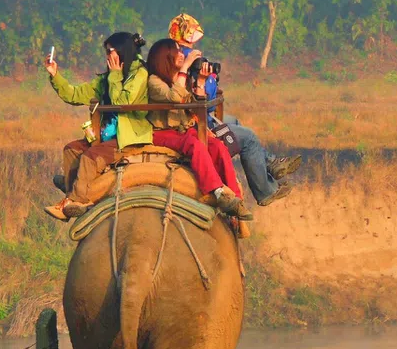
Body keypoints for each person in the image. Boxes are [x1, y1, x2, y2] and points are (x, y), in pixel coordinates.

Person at [168, 13, 301, 207]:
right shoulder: (182, 61)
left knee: (234, 121)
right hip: (191, 121)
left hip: (193, 115)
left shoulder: (169, 57)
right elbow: (200, 101)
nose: (193, 48)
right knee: (248, 138)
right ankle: (265, 191)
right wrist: (201, 77)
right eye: (191, 42)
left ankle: (271, 163)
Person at [43, 32, 152, 221]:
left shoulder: (140, 74)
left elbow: (123, 102)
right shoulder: (106, 79)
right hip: (106, 134)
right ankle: (73, 191)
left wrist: (116, 75)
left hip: (127, 137)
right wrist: (55, 75)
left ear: (122, 52)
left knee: (90, 157)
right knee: (71, 149)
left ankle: (77, 200)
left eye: (110, 51)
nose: (107, 56)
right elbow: (75, 94)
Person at [145, 38, 252, 220]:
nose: (181, 55)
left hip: (184, 130)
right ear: (165, 57)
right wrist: (185, 68)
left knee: (217, 146)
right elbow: (175, 97)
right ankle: (217, 191)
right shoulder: (154, 81)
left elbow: (196, 106)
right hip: (162, 132)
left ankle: (236, 199)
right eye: (177, 52)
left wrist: (201, 82)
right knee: (194, 144)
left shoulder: (179, 78)